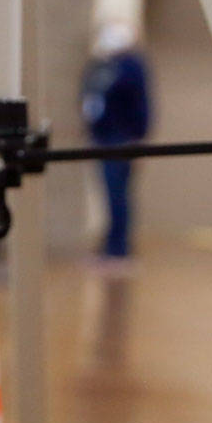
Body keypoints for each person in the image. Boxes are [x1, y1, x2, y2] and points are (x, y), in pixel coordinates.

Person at [80, 21, 152, 262]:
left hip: (122, 139)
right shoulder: (100, 66)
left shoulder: (131, 67)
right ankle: (112, 243)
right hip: (102, 137)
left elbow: (141, 106)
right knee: (110, 193)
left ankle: (118, 247)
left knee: (118, 194)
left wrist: (138, 137)